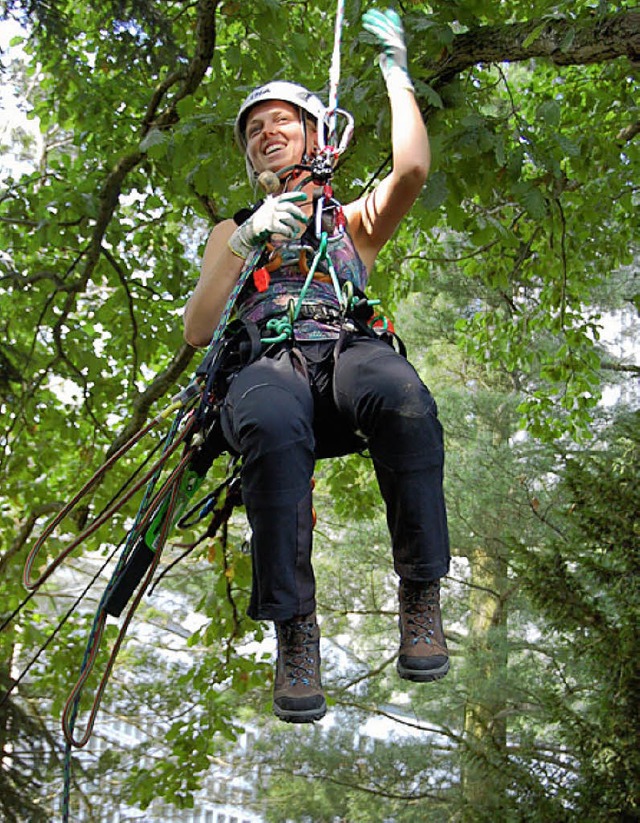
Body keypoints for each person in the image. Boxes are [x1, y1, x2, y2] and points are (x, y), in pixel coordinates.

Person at [183, 8, 450, 723]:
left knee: (402, 395)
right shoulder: (230, 230)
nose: (266, 132)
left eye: (282, 122)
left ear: (315, 137)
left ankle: (421, 590)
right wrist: (247, 240)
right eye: (253, 129)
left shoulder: (349, 221)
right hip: (268, 367)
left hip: (344, 355)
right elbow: (198, 326)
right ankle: (296, 629)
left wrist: (397, 75)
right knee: (268, 418)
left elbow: (414, 168)